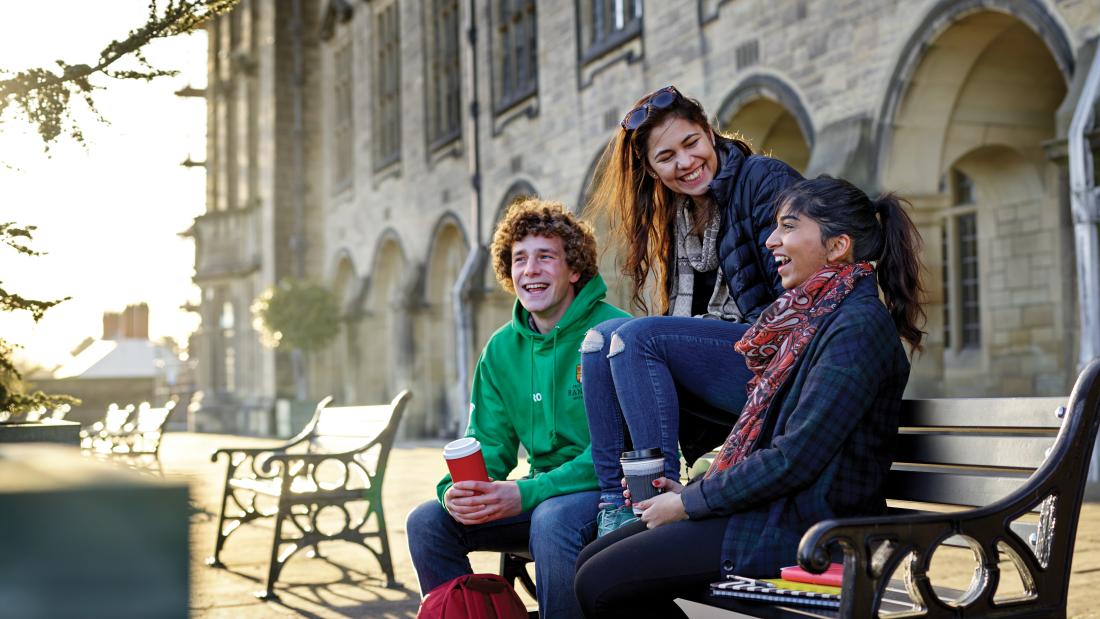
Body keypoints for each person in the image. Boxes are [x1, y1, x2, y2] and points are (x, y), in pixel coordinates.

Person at [573, 175, 927, 617]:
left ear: (837, 247)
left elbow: (793, 458)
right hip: (774, 511)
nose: (771, 240)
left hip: (808, 527)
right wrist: (695, 490)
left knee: (600, 582)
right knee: (590, 562)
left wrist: (687, 504)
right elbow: (773, 447)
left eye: (789, 227)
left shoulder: (856, 327)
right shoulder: (811, 318)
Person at [580, 85, 803, 528]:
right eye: (666, 157)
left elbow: (800, 296)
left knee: (635, 338)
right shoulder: (678, 215)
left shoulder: (764, 180)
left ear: (709, 132)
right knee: (597, 341)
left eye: (691, 143)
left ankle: (657, 501)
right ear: (650, 168)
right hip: (732, 362)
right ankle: (615, 507)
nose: (684, 162)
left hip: (780, 363)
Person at [406, 198, 630, 618]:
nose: (530, 270)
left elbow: (617, 453)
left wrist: (527, 492)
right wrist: (460, 493)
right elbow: (487, 443)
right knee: (427, 521)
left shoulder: (616, 333)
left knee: (551, 519)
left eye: (546, 257)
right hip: (541, 496)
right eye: (519, 259)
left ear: (574, 269)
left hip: (609, 497)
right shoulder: (499, 350)